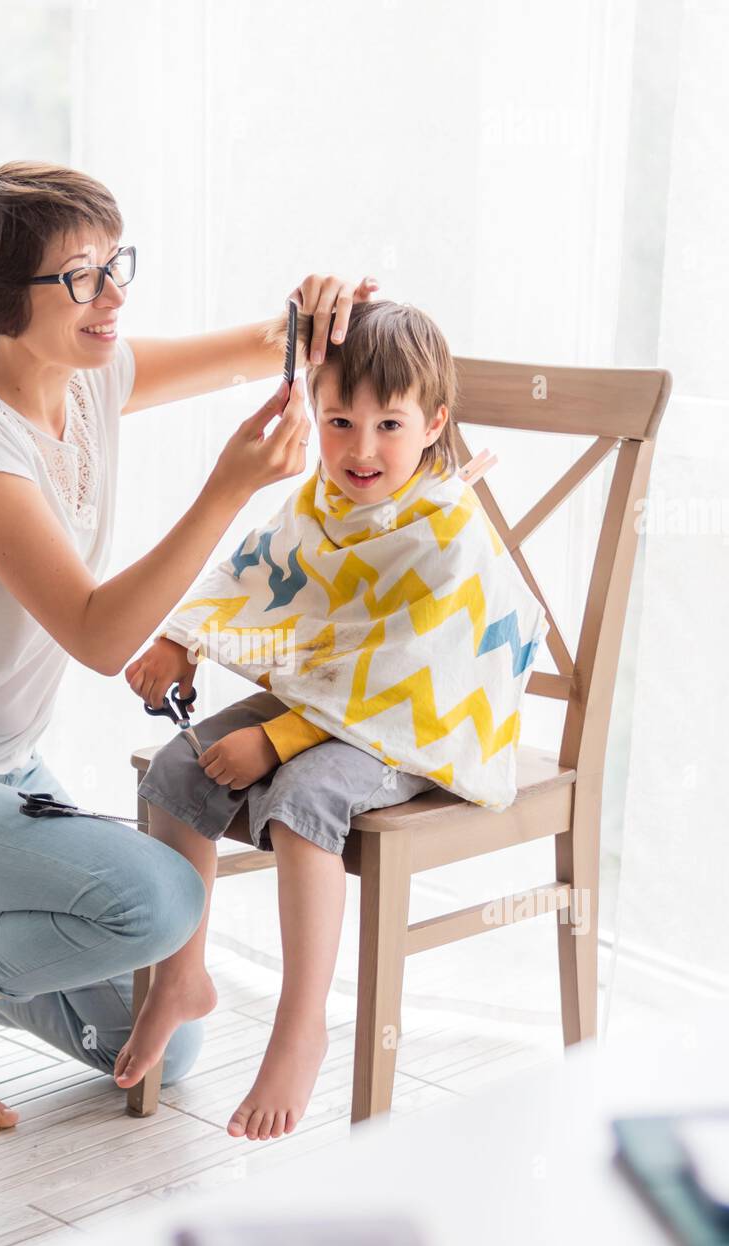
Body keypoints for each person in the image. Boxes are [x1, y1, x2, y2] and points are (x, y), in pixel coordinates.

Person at [0, 159, 380, 1139]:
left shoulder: (88, 377)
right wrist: (226, 487)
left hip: (0, 769)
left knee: (156, 1042)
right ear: (2, 304)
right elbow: (101, 636)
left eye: (114, 264)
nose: (114, 294)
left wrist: (327, 305)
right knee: (162, 898)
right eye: (82, 277)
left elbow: (259, 347)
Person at [122, 299, 511, 1141]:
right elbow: (252, 573)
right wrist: (179, 640)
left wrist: (277, 739)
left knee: (302, 801)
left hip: (421, 721)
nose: (360, 449)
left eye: (388, 424)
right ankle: (179, 975)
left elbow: (414, 670)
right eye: (338, 420)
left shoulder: (444, 526)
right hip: (329, 695)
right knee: (174, 772)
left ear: (433, 422)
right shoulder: (320, 502)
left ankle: (302, 1024)